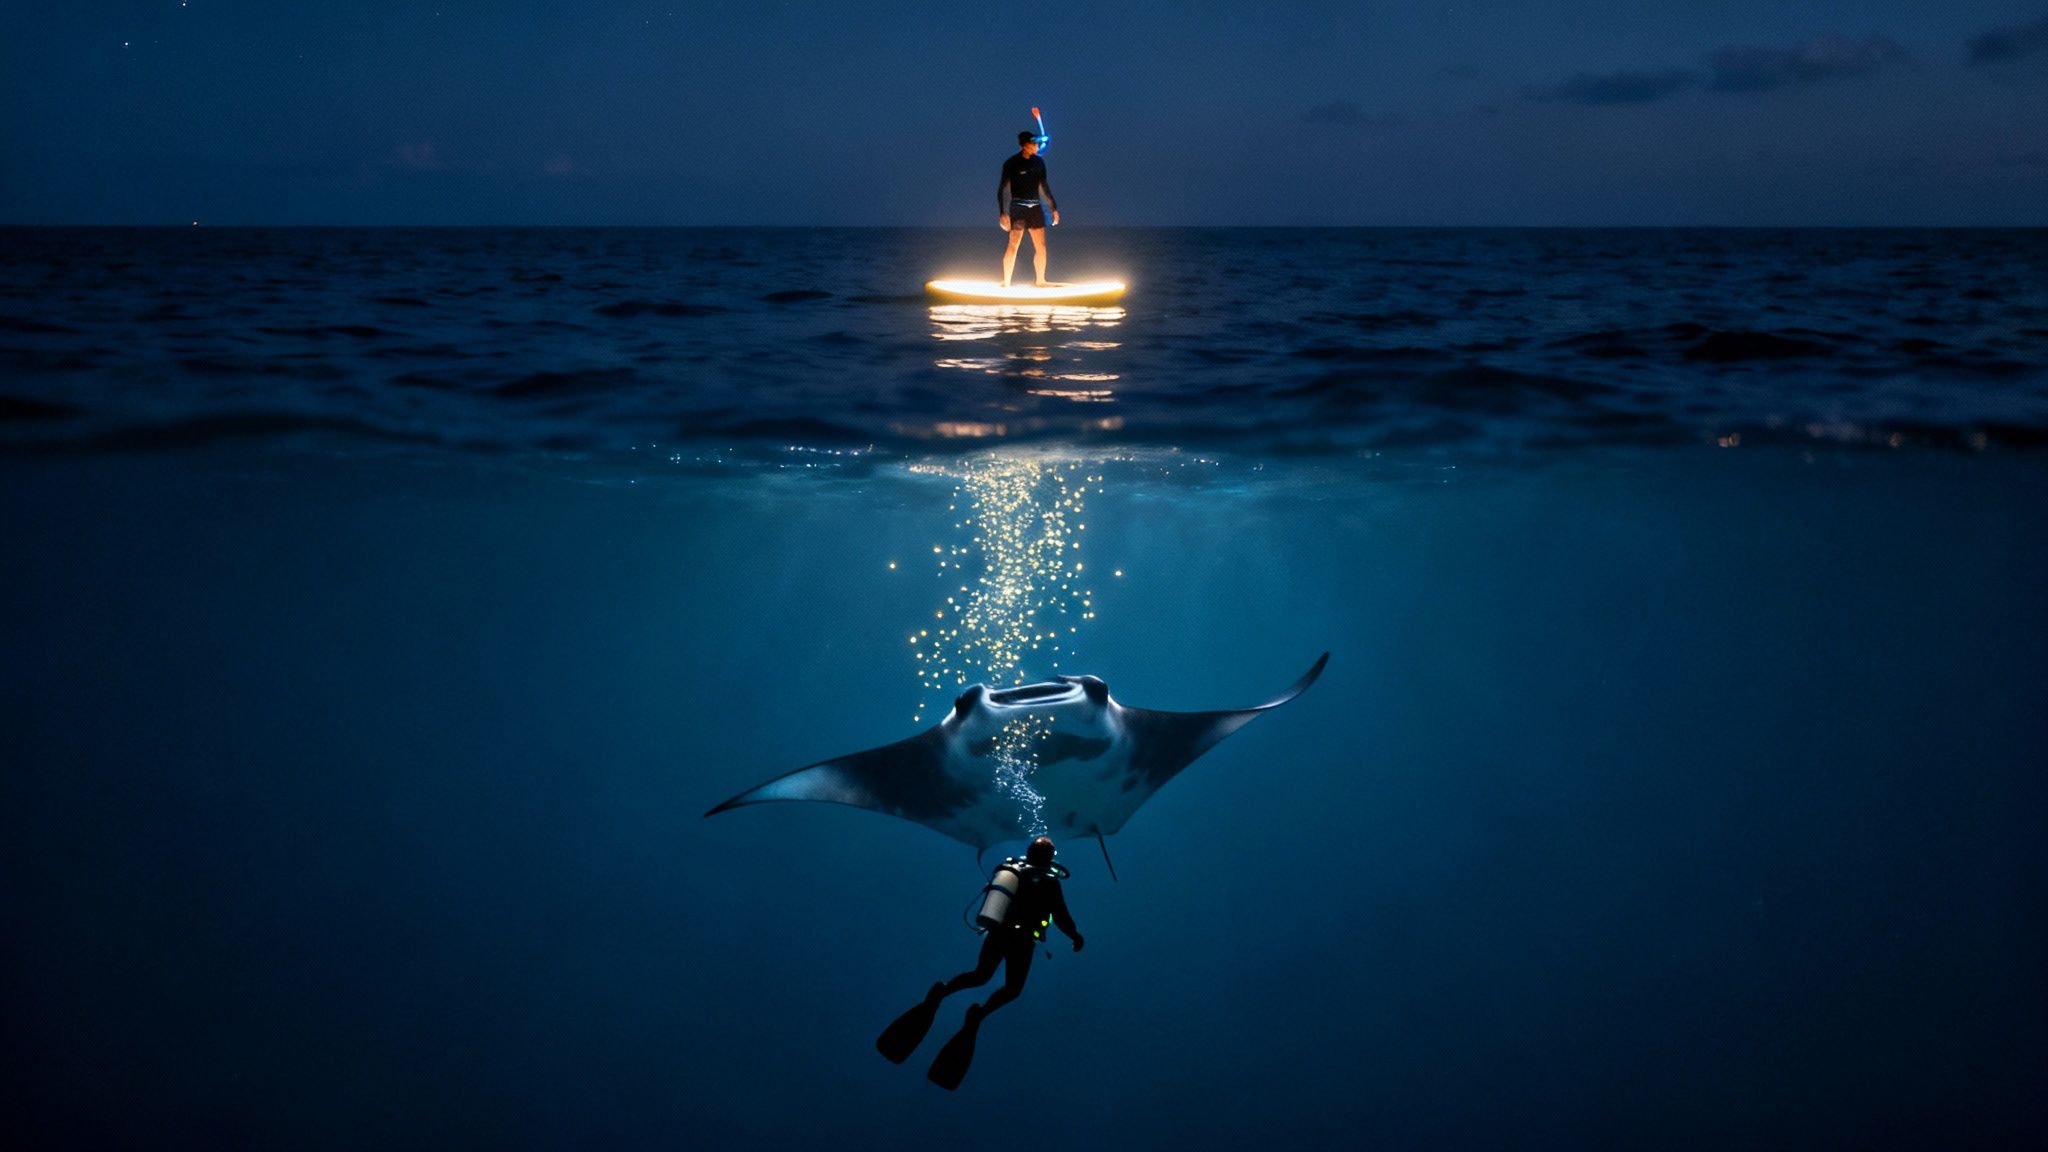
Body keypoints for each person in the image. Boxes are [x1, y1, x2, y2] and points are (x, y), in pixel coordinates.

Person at [875, 835, 1084, 1089]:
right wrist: (1075, 936)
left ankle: (942, 991)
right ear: (1050, 858)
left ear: (1029, 852)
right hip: (1022, 941)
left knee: (980, 975)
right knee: (1012, 989)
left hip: (998, 933)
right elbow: (1061, 916)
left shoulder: (1011, 871)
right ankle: (978, 1015)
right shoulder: (1050, 883)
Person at [998, 131, 1061, 287]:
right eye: (1034, 144)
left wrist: (1054, 208)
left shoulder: (1039, 163)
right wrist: (1003, 212)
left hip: (1035, 206)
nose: (1037, 146)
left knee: (1041, 246)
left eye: (1037, 143)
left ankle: (1040, 280)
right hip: (1018, 206)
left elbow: (1044, 187)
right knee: (1013, 244)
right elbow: (1002, 189)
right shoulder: (1011, 163)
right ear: (1024, 145)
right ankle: (1006, 283)